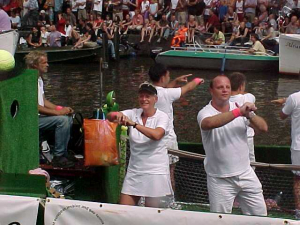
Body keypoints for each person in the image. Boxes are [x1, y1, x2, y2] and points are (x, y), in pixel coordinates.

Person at [197, 75, 268, 215]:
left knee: (261, 217)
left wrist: (250, 115)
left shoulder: (240, 110)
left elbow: (263, 128)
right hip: (220, 179)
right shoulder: (205, 112)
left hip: (246, 174)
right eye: (220, 87)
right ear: (211, 90)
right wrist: (238, 112)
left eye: (227, 87)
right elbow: (209, 124)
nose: (224, 90)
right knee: (220, 220)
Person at [107, 82, 172, 207]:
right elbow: (110, 116)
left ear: (155, 99)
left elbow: (156, 135)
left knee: (151, 215)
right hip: (134, 171)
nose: (144, 99)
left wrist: (134, 124)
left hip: (155, 173)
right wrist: (117, 114)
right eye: (141, 96)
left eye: (147, 96)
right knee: (124, 211)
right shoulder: (133, 113)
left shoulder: (162, 117)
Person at [148, 63, 204, 194]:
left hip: (150, 138)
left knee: (152, 172)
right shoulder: (168, 94)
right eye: (168, 76)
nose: (169, 78)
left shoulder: (146, 91)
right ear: (163, 77)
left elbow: (164, 91)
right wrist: (198, 80)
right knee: (169, 173)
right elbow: (187, 88)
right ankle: (170, 201)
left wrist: (175, 81)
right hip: (167, 140)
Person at [25, 51, 75, 168]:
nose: (47, 65)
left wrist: (61, 108)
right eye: (44, 62)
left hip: (39, 118)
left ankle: (63, 152)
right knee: (62, 121)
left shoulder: (39, 79)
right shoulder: (28, 80)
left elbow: (44, 101)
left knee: (68, 117)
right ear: (35, 65)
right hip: (31, 120)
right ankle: (58, 157)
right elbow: (35, 106)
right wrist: (58, 113)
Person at [272, 92, 300, 217]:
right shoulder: (293, 98)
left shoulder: (294, 98)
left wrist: (285, 102)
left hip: (298, 148)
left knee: (298, 179)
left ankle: (299, 212)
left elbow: (282, 115)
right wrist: (285, 100)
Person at [229, 72, 256, 164]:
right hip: (247, 138)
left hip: (230, 136)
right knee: (250, 164)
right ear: (241, 86)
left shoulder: (223, 100)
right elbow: (247, 94)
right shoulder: (249, 97)